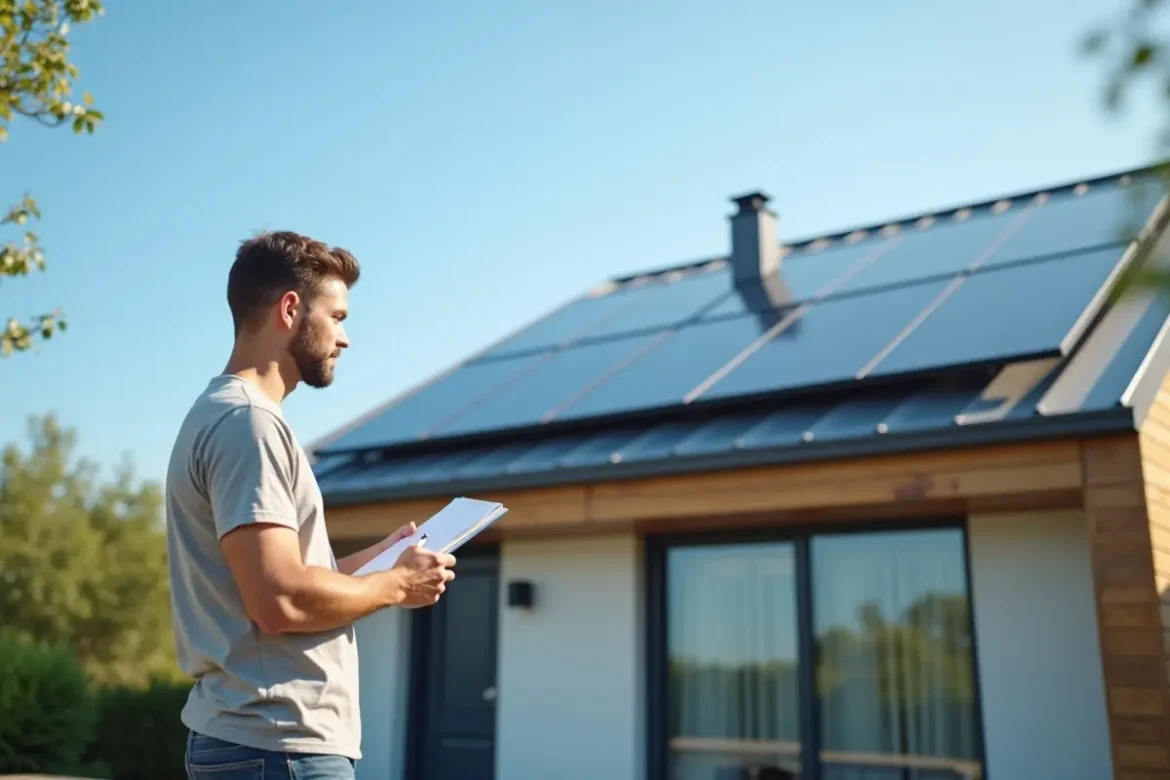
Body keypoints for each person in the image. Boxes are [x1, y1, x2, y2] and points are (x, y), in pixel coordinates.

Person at [165, 231, 456, 780]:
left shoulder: (227, 416)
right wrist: (396, 586)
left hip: (262, 745)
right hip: (278, 747)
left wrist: (381, 563)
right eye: (338, 316)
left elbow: (283, 581)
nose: (344, 339)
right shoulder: (247, 424)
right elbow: (279, 602)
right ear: (291, 309)